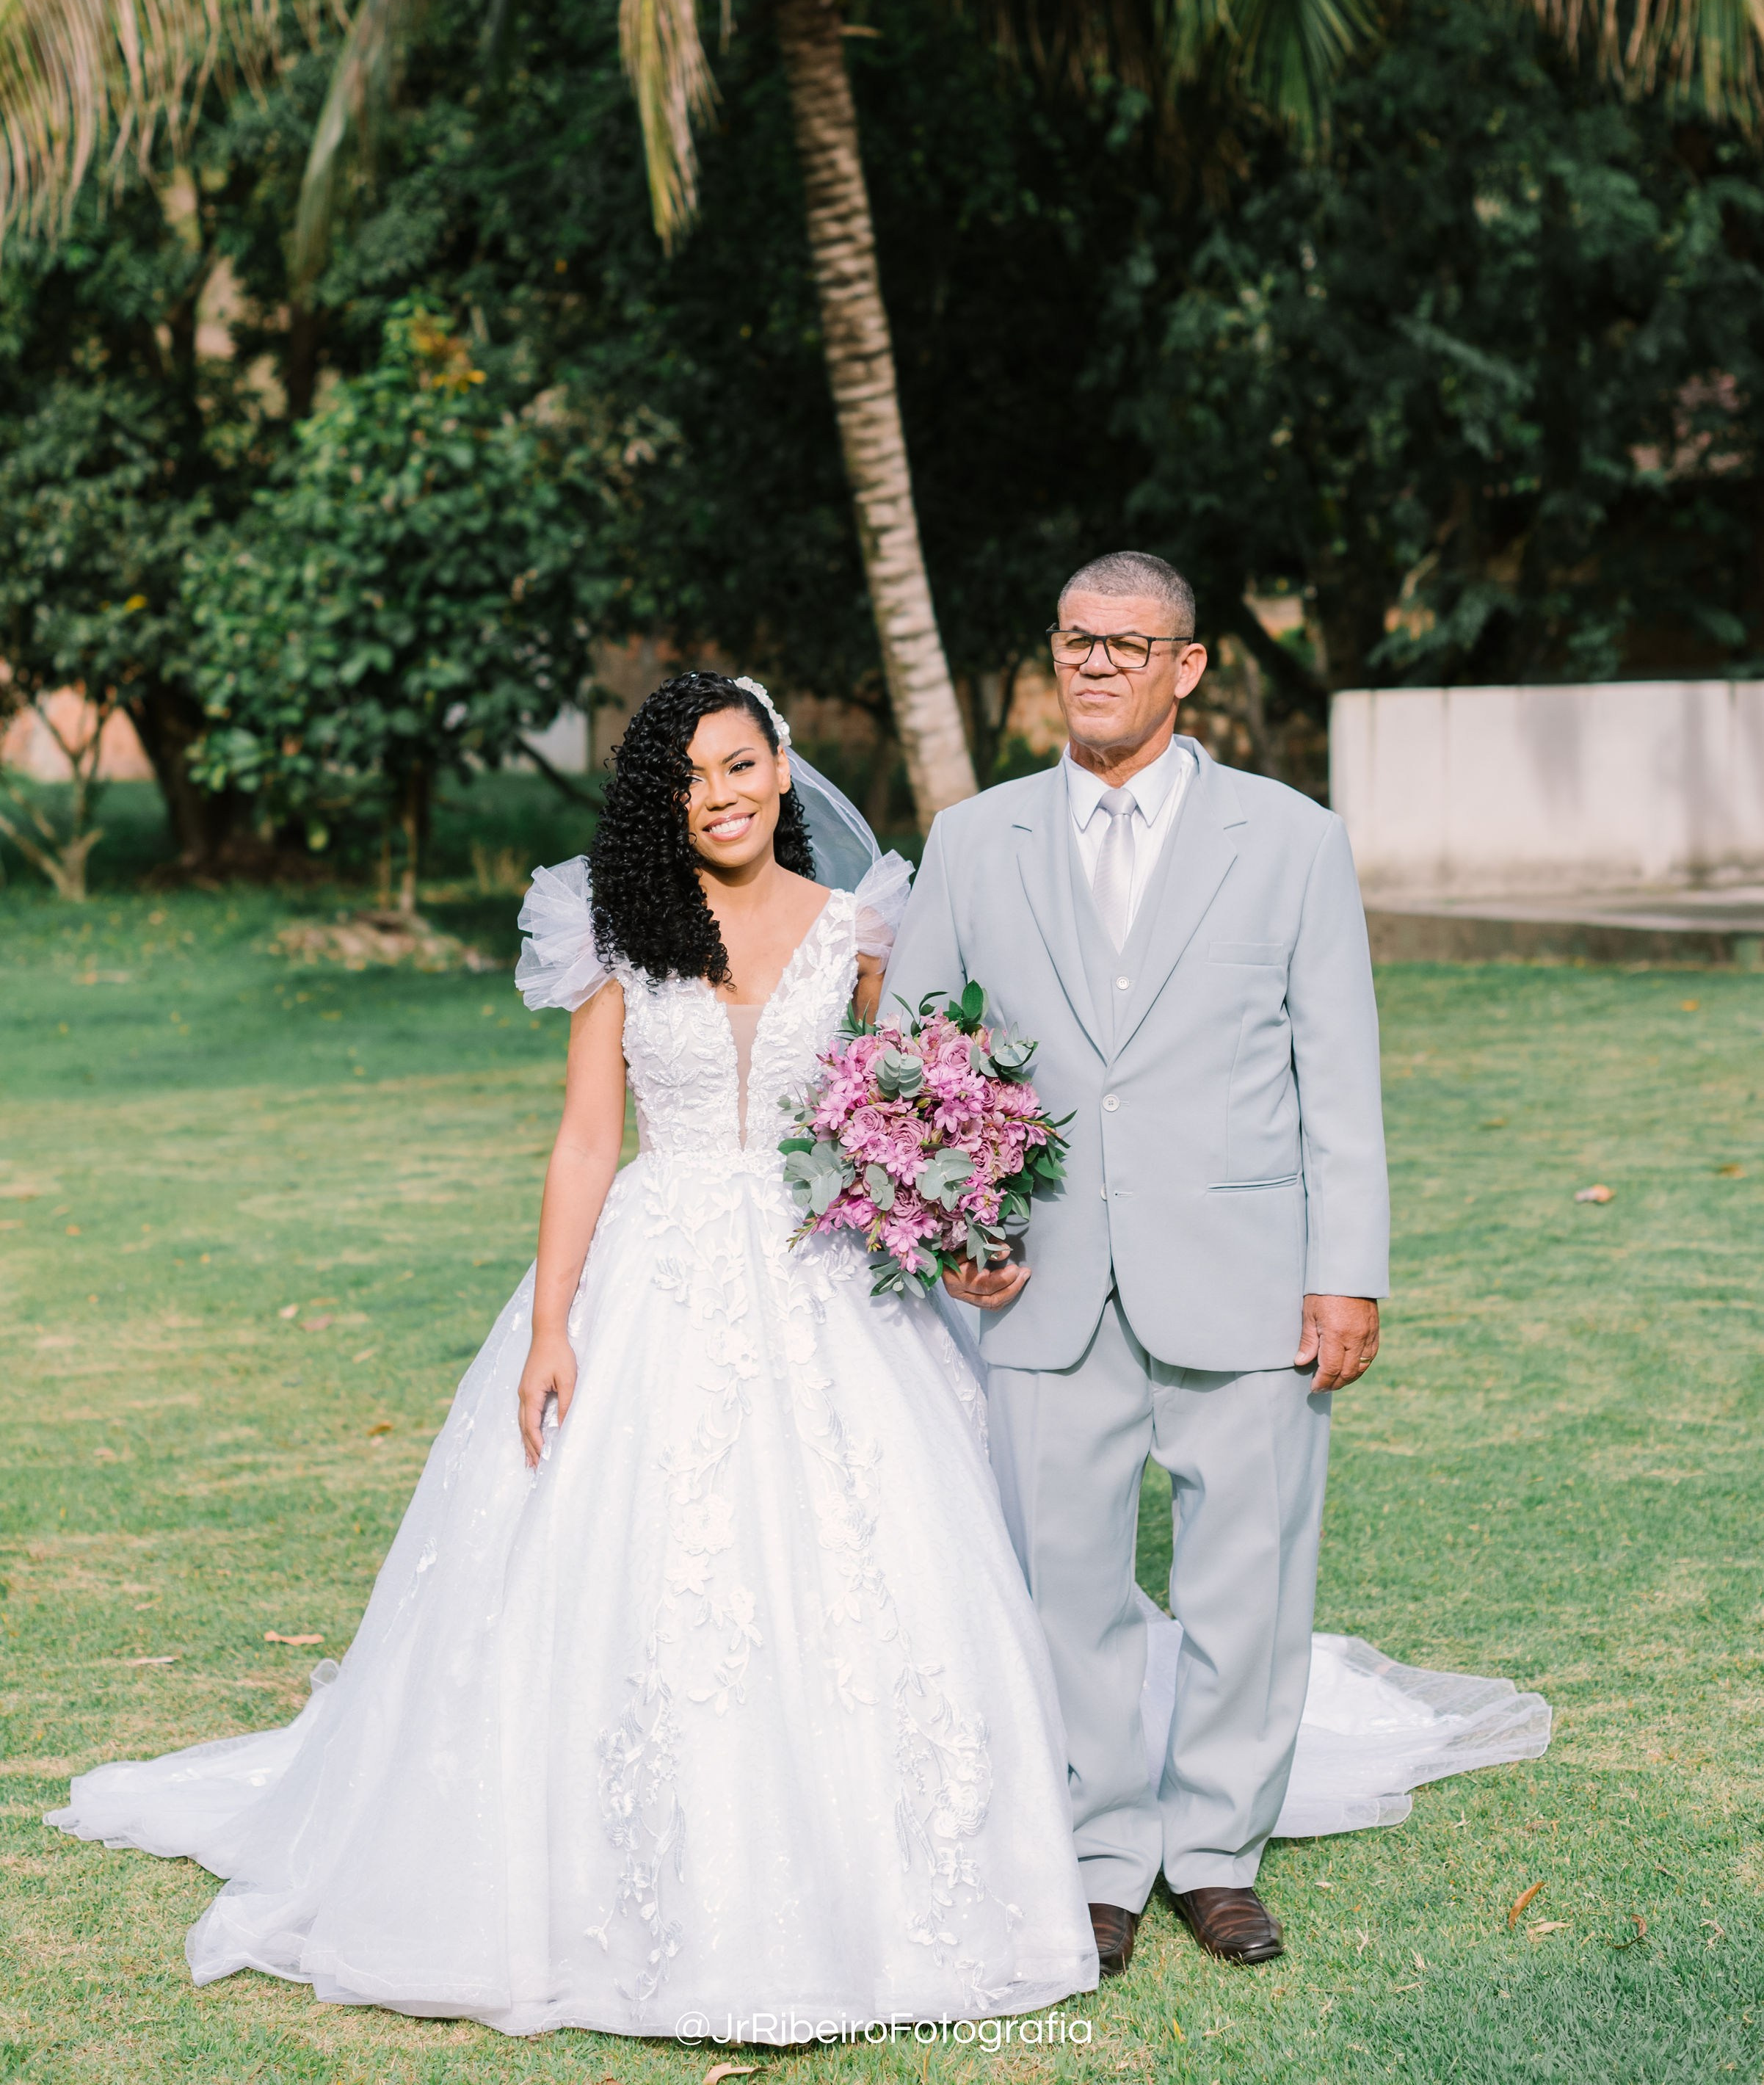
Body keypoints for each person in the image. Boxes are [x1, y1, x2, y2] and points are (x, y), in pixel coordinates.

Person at [47, 672, 1097, 2038]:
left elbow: (897, 1105)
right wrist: (551, 1323)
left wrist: (955, 1221)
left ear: (783, 772)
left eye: (737, 767)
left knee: (863, 1567)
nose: (716, 797)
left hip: (826, 1278)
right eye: (686, 782)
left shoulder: (865, 928)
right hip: (649, 1271)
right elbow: (588, 1139)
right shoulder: (621, 929)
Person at [886, 551, 1390, 1976]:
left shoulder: (1288, 839)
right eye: (1074, 642)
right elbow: (919, 1057)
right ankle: (1100, 1854)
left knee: (1248, 1577)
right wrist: (963, 1226)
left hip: (1244, 1270)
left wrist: (1344, 1270)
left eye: (1129, 643)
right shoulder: (976, 838)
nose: (1096, 664)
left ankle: (1218, 1849)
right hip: (1040, 1282)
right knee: (1070, 1590)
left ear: (1189, 665)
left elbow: (1332, 1072)